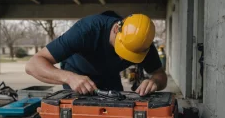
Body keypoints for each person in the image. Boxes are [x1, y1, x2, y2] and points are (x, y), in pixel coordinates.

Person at [25, 11, 167, 96]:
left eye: (132, 54)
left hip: (110, 77)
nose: (123, 58)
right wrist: (68, 78)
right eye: (123, 49)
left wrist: (154, 82)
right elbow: (33, 65)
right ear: (117, 29)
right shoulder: (87, 30)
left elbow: (160, 74)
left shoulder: (143, 44)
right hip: (77, 75)